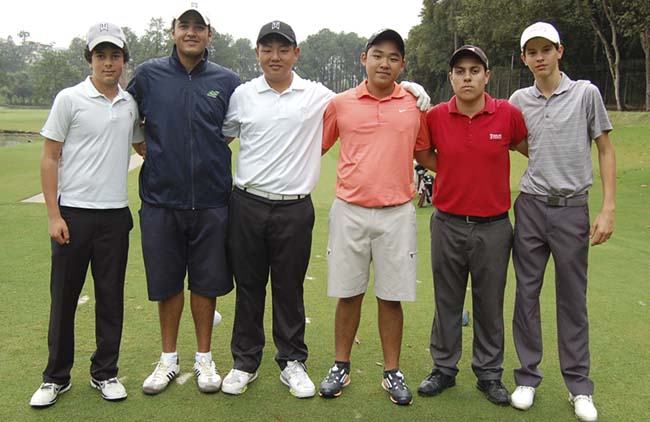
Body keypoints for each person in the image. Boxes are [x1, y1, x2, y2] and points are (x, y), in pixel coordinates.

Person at [220, 21, 431, 399]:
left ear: (296, 54)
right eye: (267, 48)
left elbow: (415, 142)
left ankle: (293, 362)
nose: (275, 56)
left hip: (309, 208)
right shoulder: (245, 95)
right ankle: (245, 363)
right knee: (250, 287)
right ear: (258, 53)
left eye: (283, 49)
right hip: (251, 202)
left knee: (292, 289)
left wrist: (413, 87)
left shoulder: (321, 96)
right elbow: (222, 137)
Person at [126, 5, 240, 395]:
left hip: (211, 201)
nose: (191, 32)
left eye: (198, 27)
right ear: (173, 32)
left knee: (205, 284)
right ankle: (168, 359)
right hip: (161, 200)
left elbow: (229, 129)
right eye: (184, 26)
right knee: (168, 283)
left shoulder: (227, 80)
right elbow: (126, 115)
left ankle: (205, 359)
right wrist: (147, 148)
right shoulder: (148, 75)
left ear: (210, 34)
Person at [29, 22, 142, 407]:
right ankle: (55, 377)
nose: (108, 63)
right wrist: (52, 215)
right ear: (90, 60)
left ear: (124, 61)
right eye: (100, 56)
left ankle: (105, 373)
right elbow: (50, 156)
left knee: (110, 299)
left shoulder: (129, 103)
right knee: (64, 298)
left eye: (115, 56)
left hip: (115, 217)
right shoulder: (69, 99)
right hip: (73, 216)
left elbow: (144, 146)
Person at [508, 22, 615, 422]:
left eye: (545, 50)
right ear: (524, 58)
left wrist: (607, 208)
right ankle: (527, 377)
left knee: (572, 299)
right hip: (532, 206)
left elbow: (605, 148)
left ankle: (579, 387)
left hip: (573, 209)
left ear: (559, 51)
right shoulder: (519, 98)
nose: (539, 57)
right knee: (527, 295)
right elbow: (514, 139)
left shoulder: (586, 93)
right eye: (531, 52)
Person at [318, 29, 430, 406]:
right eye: (377, 55)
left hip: (397, 213)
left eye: (393, 57)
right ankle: (340, 364)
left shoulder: (413, 104)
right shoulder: (341, 103)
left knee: (391, 296)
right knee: (348, 294)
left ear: (402, 64)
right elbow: (315, 146)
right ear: (363, 58)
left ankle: (392, 371)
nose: (385, 63)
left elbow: (428, 154)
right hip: (349, 210)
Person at [413, 46, 528, 406]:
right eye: (460, 71)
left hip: (494, 226)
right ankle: (444, 368)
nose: (467, 77)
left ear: (486, 76)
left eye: (474, 71)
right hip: (447, 222)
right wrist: (447, 171)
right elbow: (422, 153)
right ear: (451, 77)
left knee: (489, 302)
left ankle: (489, 373)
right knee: (447, 300)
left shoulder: (507, 114)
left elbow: (528, 148)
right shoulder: (435, 116)